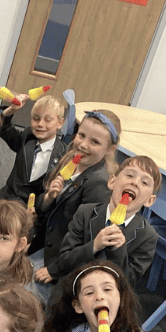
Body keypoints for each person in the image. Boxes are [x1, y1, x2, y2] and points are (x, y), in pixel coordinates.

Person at [32, 111, 118, 284]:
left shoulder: (98, 184)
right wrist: (49, 198)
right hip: (44, 240)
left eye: (94, 142)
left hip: (62, 261)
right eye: (81, 135)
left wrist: (55, 269)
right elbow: (45, 208)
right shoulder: (70, 161)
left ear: (109, 149)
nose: (83, 145)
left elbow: (87, 239)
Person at [51, 156, 161, 289]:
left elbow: (128, 284)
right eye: (130, 175)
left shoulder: (148, 236)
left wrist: (118, 251)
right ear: (112, 182)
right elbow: (64, 262)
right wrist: (95, 245)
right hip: (72, 287)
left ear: (149, 200)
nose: (135, 183)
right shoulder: (85, 212)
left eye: (144, 183)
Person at [0, 91, 68, 204]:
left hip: (32, 207)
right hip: (7, 197)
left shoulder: (63, 154)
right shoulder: (27, 136)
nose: (40, 124)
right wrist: (12, 110)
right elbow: (5, 129)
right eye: (36, 119)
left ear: (60, 123)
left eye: (48, 120)